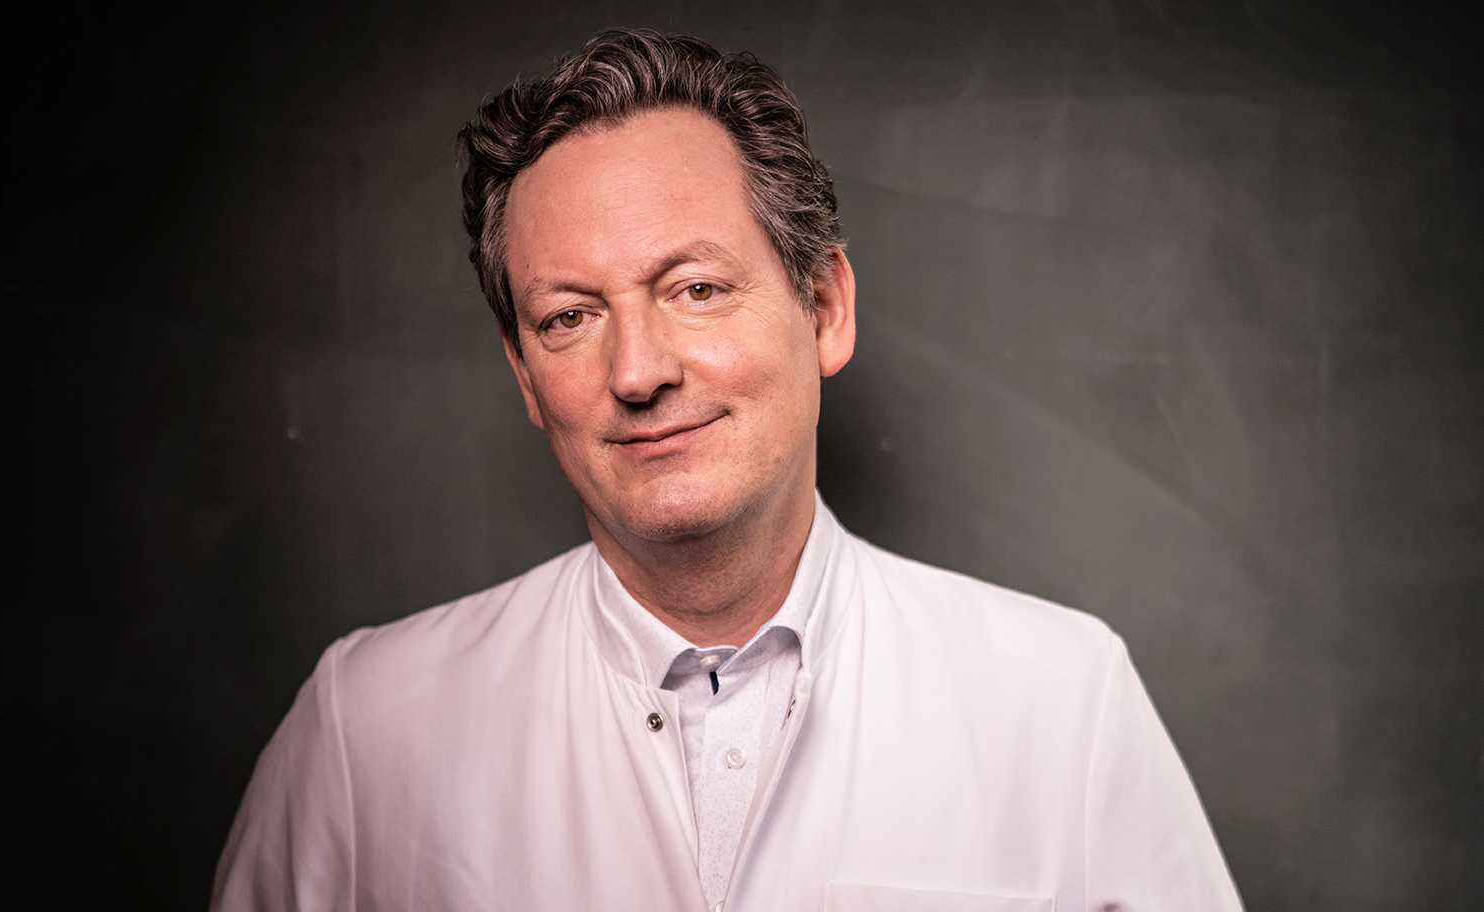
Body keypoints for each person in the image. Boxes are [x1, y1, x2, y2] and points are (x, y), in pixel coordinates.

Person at [212, 29, 1243, 912]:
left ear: (824, 308)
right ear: (525, 375)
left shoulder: (1061, 701)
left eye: (696, 289)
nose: (638, 372)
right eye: (568, 317)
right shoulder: (365, 730)